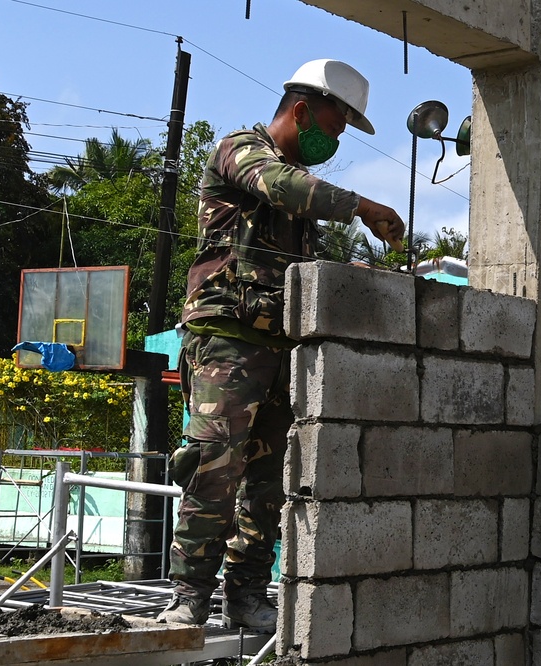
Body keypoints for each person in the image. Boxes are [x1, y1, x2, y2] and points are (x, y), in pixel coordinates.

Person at [157, 59, 404, 629]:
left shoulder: (301, 197)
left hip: (278, 346)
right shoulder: (242, 151)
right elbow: (281, 186)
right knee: (215, 464)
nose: (335, 140)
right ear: (301, 111)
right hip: (226, 336)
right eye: (335, 126)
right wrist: (362, 207)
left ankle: (246, 593)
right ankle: (189, 593)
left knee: (268, 481)